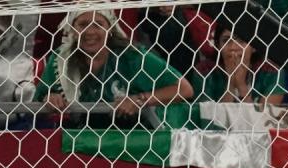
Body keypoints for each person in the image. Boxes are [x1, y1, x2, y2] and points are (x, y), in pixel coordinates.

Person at [34, 10, 193, 129]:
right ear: (72, 29)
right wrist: (49, 98)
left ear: (110, 29)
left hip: (131, 139)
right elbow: (39, 100)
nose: (90, 31)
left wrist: (139, 99)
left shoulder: (132, 57)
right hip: (81, 141)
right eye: (83, 24)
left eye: (98, 25)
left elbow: (184, 89)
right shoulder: (61, 61)